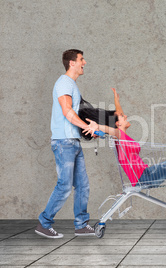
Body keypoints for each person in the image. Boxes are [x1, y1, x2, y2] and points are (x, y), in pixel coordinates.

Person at [35, 49, 98, 239]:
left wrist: (87, 129)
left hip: (73, 142)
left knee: (83, 186)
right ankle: (44, 224)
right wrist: (88, 127)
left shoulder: (71, 85)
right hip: (64, 143)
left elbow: (75, 114)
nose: (84, 63)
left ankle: (81, 225)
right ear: (72, 63)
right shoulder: (64, 83)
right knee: (64, 185)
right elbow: (67, 111)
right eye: (81, 59)